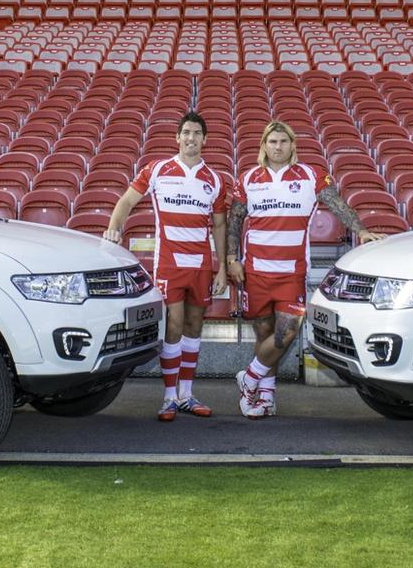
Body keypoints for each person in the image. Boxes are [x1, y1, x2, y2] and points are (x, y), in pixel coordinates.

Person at [225, 121, 384, 419]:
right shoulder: (248, 178)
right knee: (265, 336)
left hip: (292, 272)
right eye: (272, 141)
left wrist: (360, 230)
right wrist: (232, 258)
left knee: (286, 334)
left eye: (283, 141)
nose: (278, 147)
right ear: (264, 145)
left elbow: (337, 204)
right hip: (255, 272)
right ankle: (265, 398)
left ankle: (248, 377)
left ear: (292, 145)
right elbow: (235, 220)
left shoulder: (310, 176)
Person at [103, 111, 231, 421]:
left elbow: (220, 225)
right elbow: (126, 201)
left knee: (194, 326)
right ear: (177, 137)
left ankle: (187, 394)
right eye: (186, 132)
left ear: (205, 139)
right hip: (169, 264)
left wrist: (223, 267)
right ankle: (169, 397)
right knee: (174, 324)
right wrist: (113, 228)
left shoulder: (214, 179)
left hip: (201, 265)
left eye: (196, 133)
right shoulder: (157, 169)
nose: (191, 138)